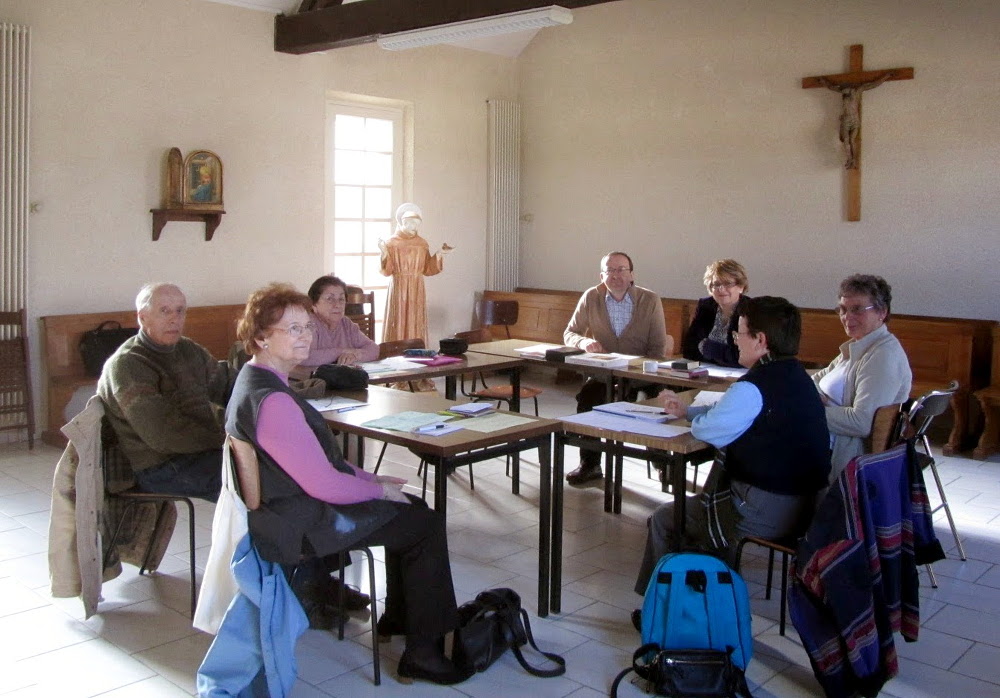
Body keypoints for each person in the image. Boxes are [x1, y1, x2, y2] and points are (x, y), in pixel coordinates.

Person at [227, 283, 466, 685]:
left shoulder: (259, 380)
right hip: (297, 522)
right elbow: (324, 483)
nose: (306, 336)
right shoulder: (272, 400)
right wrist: (377, 490)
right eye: (293, 329)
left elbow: (321, 465)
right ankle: (423, 653)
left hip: (288, 508)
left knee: (415, 509)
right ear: (261, 338)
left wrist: (373, 478)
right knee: (424, 523)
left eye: (307, 327)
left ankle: (401, 619)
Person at [635, 296, 831, 598]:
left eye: (739, 332)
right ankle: (698, 589)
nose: (734, 340)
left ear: (761, 340)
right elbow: (737, 413)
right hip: (806, 507)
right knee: (696, 512)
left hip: (764, 511)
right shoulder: (798, 377)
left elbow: (709, 430)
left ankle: (663, 605)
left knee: (665, 518)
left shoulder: (753, 387)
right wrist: (687, 411)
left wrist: (694, 419)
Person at [98, 283, 234, 501]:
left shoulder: (187, 349)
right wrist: (227, 438)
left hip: (197, 452)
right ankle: (255, 533)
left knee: (271, 466)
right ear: (142, 318)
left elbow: (226, 385)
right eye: (165, 311)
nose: (175, 319)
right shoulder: (128, 364)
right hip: (159, 466)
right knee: (255, 478)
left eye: (180, 311)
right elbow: (163, 435)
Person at [563, 251, 672, 485]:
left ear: (632, 274)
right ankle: (590, 464)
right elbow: (570, 333)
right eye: (610, 270)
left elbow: (657, 347)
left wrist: (636, 373)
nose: (616, 275)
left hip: (642, 375)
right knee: (588, 399)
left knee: (657, 405)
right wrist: (584, 342)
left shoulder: (649, 299)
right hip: (605, 374)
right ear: (601, 275)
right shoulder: (591, 297)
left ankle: (663, 463)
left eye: (621, 269)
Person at [812, 274, 911, 481]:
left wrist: (807, 410)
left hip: (847, 453)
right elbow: (816, 380)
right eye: (843, 309)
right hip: (825, 438)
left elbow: (861, 422)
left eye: (857, 309)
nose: (847, 316)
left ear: (881, 312)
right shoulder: (858, 346)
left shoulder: (882, 355)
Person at [379, 203, 453, 344]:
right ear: (403, 222)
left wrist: (440, 253)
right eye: (412, 223)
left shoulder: (421, 243)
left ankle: (416, 352)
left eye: (417, 224)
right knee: (399, 317)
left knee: (415, 318)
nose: (415, 227)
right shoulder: (391, 243)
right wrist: (383, 253)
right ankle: (396, 351)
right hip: (399, 285)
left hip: (416, 286)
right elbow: (387, 271)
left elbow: (427, 268)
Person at [298, 275, 378, 369]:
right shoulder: (308, 324)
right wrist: (342, 352)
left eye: (341, 299)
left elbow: (374, 349)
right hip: (311, 381)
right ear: (314, 304)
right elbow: (305, 357)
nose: (337, 305)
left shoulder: (346, 324)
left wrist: (355, 356)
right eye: (330, 299)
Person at [681, 259, 750, 368]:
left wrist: (708, 348)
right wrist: (723, 353)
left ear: (741, 287)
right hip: (705, 371)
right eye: (716, 284)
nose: (721, 289)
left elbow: (743, 358)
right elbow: (689, 348)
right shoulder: (705, 305)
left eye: (728, 284)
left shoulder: (750, 309)